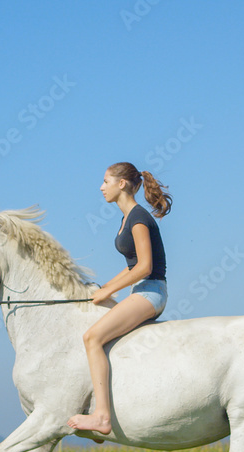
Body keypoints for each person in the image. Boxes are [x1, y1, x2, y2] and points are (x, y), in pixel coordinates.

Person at [67, 162, 172, 436]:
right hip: (141, 289)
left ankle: (102, 416)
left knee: (92, 338)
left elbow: (145, 267)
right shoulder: (127, 218)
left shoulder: (138, 218)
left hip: (150, 292)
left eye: (105, 181)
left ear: (121, 184)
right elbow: (131, 266)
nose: (101, 187)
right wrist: (101, 288)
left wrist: (109, 292)